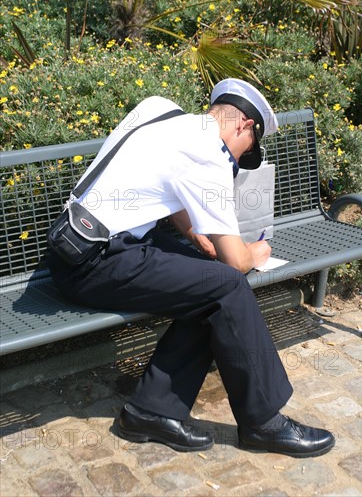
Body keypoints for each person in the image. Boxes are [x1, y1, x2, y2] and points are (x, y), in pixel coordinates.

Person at [49, 78, 335, 457]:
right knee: (228, 284)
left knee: (208, 279)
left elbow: (164, 181)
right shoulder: (209, 154)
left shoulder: (161, 111)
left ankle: (151, 411)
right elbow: (236, 260)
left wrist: (195, 235)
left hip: (85, 246)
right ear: (243, 126)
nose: (237, 160)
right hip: (94, 263)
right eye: (245, 151)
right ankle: (263, 422)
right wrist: (257, 252)